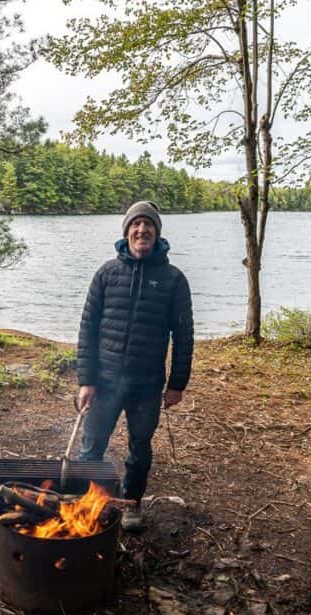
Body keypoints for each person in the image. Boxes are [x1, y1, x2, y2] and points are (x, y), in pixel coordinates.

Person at [76, 201, 194, 532]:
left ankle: (131, 504)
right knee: (92, 447)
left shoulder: (173, 280)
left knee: (139, 449)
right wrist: (87, 379)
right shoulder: (106, 273)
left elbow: (184, 335)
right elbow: (87, 327)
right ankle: (89, 500)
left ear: (157, 234)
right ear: (127, 230)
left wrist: (176, 384)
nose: (141, 230)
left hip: (146, 384)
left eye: (148, 225)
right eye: (136, 225)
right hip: (106, 381)